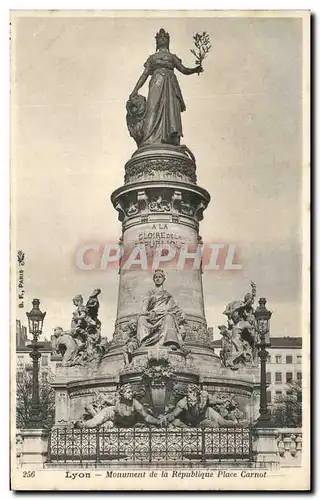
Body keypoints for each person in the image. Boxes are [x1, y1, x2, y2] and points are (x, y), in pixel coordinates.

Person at [129, 28, 203, 146]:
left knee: (171, 110)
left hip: (170, 84)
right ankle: (149, 138)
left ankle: (171, 138)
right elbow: (144, 75)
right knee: (152, 108)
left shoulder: (172, 57)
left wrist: (195, 69)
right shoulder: (152, 58)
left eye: (165, 38)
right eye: (160, 38)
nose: (162, 39)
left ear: (168, 41)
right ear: (157, 42)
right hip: (156, 82)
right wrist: (135, 90)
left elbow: (184, 69)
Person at [137, 269, 185, 350]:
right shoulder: (150, 293)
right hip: (153, 315)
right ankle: (144, 341)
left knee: (169, 317)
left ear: (163, 279)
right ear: (154, 279)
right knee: (142, 319)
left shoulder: (168, 295)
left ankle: (170, 342)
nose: (158, 279)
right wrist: (144, 312)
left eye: (160, 277)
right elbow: (145, 304)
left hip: (164, 314)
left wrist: (182, 313)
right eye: (156, 277)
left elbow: (175, 307)